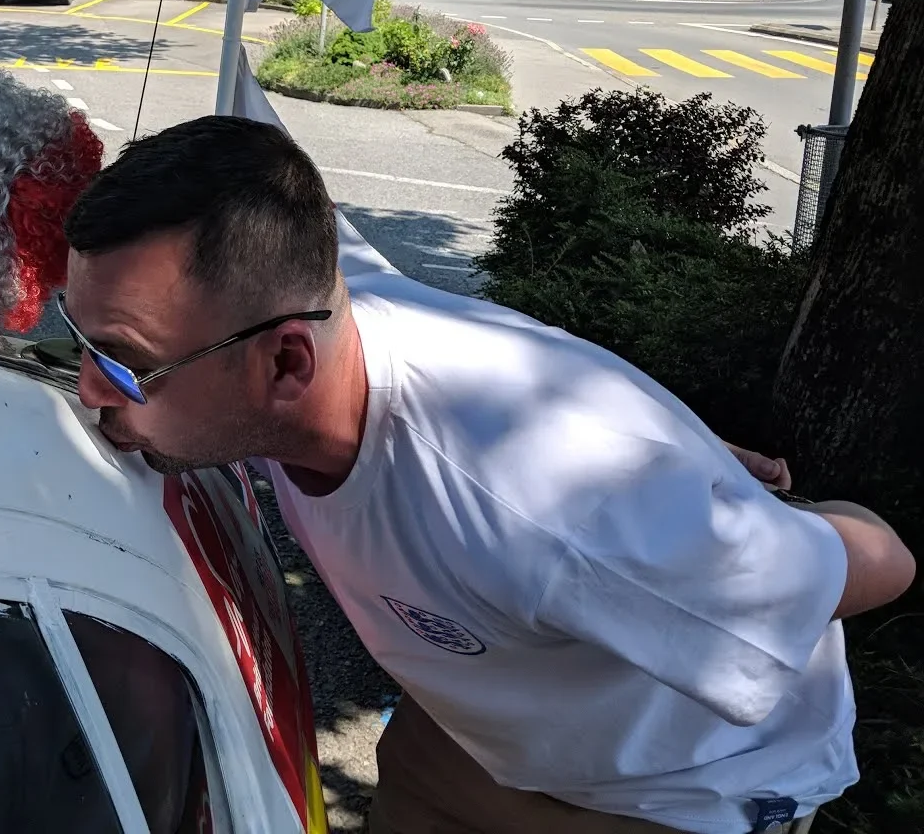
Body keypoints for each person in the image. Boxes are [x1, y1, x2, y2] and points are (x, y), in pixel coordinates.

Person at [58, 115, 917, 834]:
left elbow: (881, 564)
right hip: (471, 730)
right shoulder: (305, 308)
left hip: (663, 793)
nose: (92, 388)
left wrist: (734, 498)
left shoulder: (553, 501)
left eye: (125, 363)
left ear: (286, 366)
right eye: (82, 338)